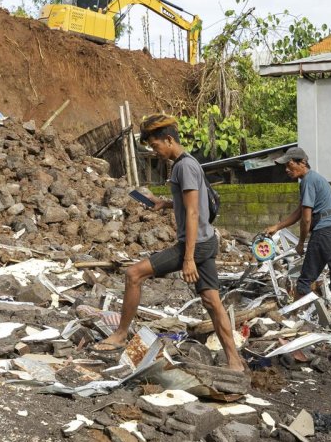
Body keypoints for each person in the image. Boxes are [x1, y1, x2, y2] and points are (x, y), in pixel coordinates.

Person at [93, 114, 246, 372]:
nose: (156, 151)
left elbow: (194, 213)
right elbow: (192, 204)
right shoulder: (190, 163)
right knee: (211, 300)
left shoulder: (182, 167)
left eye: (155, 146)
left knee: (133, 274)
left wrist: (187, 258)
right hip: (207, 241)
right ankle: (235, 362)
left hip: (195, 244)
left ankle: (120, 335)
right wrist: (165, 204)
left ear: (168, 139)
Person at [264, 147, 331, 335]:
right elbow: (300, 211)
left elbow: (306, 219)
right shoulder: (316, 179)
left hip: (325, 234)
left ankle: (291, 322)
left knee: (304, 281)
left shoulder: (307, 181)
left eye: (289, 165)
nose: (287, 170)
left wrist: (300, 243)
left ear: (302, 163)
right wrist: (277, 227)